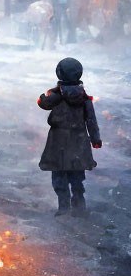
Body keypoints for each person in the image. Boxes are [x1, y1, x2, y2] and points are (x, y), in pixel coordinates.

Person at [38, 57, 101, 217]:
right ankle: (79, 206)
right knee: (77, 175)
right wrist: (95, 139)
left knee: (59, 174)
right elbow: (91, 119)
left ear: (59, 73)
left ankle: (63, 207)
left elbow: (44, 104)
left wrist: (43, 96)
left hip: (58, 141)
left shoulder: (57, 95)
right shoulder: (84, 97)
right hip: (79, 140)